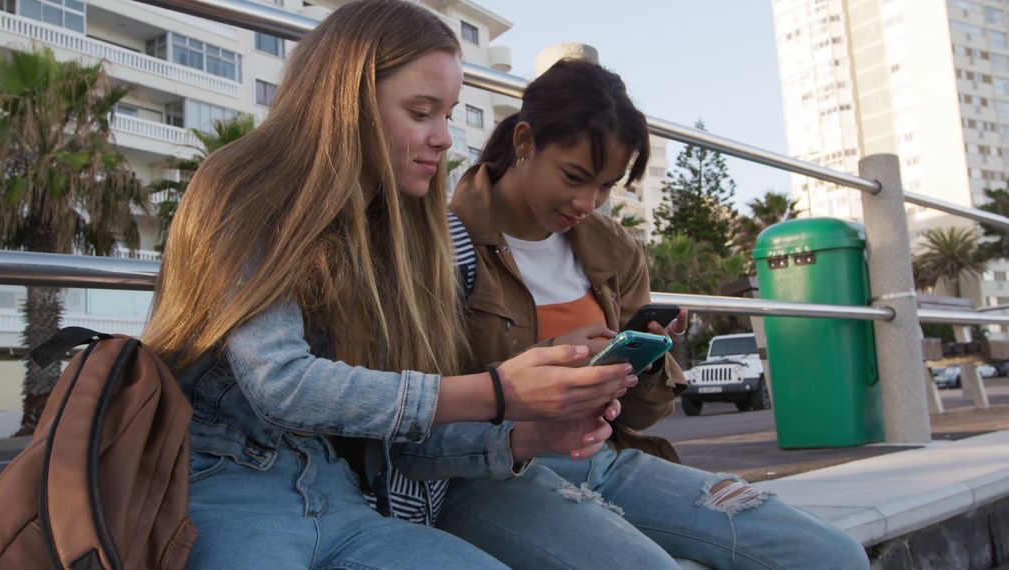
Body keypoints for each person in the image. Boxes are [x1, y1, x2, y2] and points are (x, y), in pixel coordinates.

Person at [142, 3, 637, 568]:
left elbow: (400, 435)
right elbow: (280, 384)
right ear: (346, 101)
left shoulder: (407, 229)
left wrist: (532, 433)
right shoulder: (242, 184)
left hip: (341, 492)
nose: (445, 138)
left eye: (448, 115)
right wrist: (495, 392)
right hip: (223, 481)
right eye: (422, 112)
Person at [440, 58, 870, 569]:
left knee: (831, 556)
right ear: (526, 141)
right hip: (490, 474)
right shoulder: (440, 243)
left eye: (606, 185)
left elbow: (642, 417)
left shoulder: (612, 248)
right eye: (575, 176)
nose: (588, 201)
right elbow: (415, 402)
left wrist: (637, 363)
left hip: (606, 460)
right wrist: (547, 364)